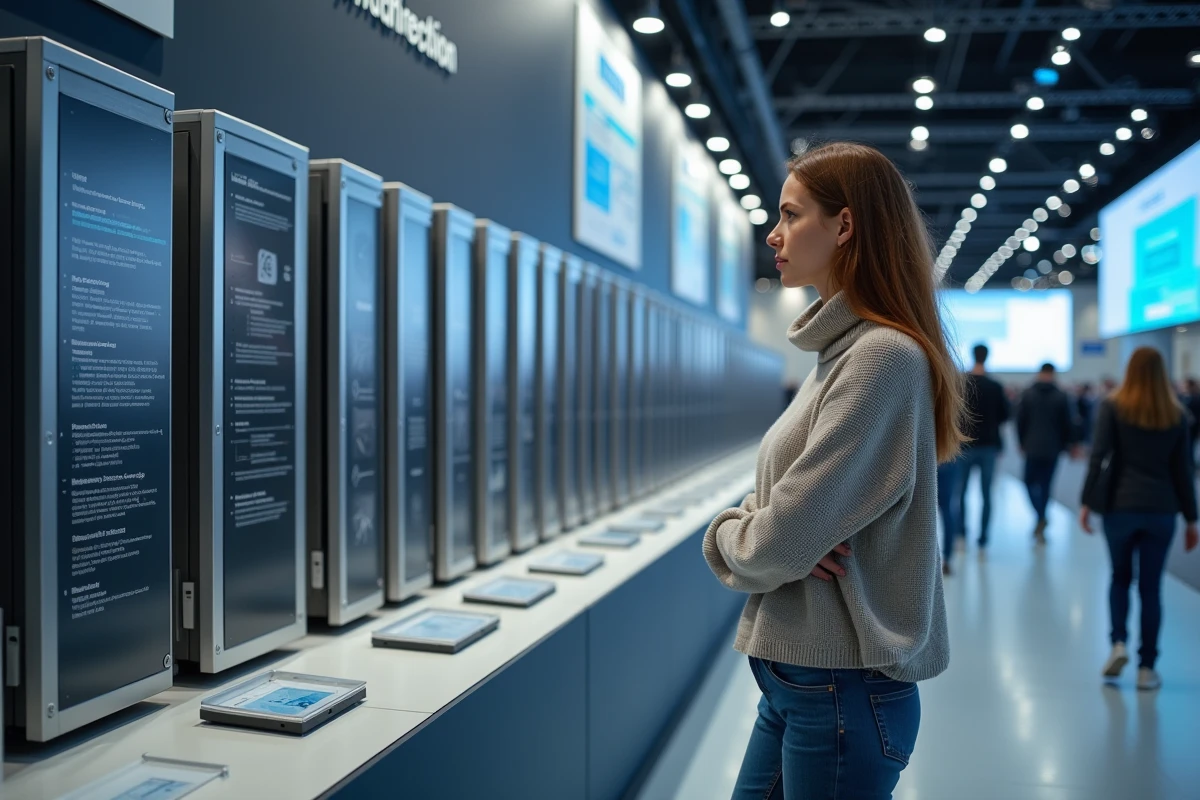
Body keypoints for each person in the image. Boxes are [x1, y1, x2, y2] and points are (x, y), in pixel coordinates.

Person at [703, 142, 965, 799]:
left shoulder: (881, 357)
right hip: (800, 684)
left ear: (844, 225)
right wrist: (781, 530)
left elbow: (779, 540)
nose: (774, 233)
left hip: (840, 691)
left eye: (791, 215)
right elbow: (788, 525)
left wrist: (728, 532)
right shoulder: (841, 354)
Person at [1079, 347, 1199, 690]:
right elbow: (1183, 470)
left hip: (1120, 507)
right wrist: (1192, 519)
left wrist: (1087, 502)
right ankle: (1147, 667)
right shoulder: (1176, 413)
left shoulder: (1113, 407)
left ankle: (1118, 642)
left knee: (1120, 578)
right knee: (1150, 588)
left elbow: (1098, 456)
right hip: (1161, 510)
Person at [1017, 363, 1078, 543]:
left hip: (1032, 446)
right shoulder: (1061, 396)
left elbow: (1020, 421)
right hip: (1053, 448)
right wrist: (1069, 445)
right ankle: (1042, 516)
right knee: (1046, 485)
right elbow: (1068, 423)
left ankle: (1040, 515)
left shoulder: (1028, 394)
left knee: (1028, 482)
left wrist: (1022, 442)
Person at [957, 344, 1009, 554]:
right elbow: (1005, 415)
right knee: (987, 494)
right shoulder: (995, 386)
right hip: (989, 446)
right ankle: (983, 539)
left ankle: (961, 534)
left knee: (961, 492)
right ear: (987, 357)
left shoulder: (962, 384)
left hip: (965, 446)